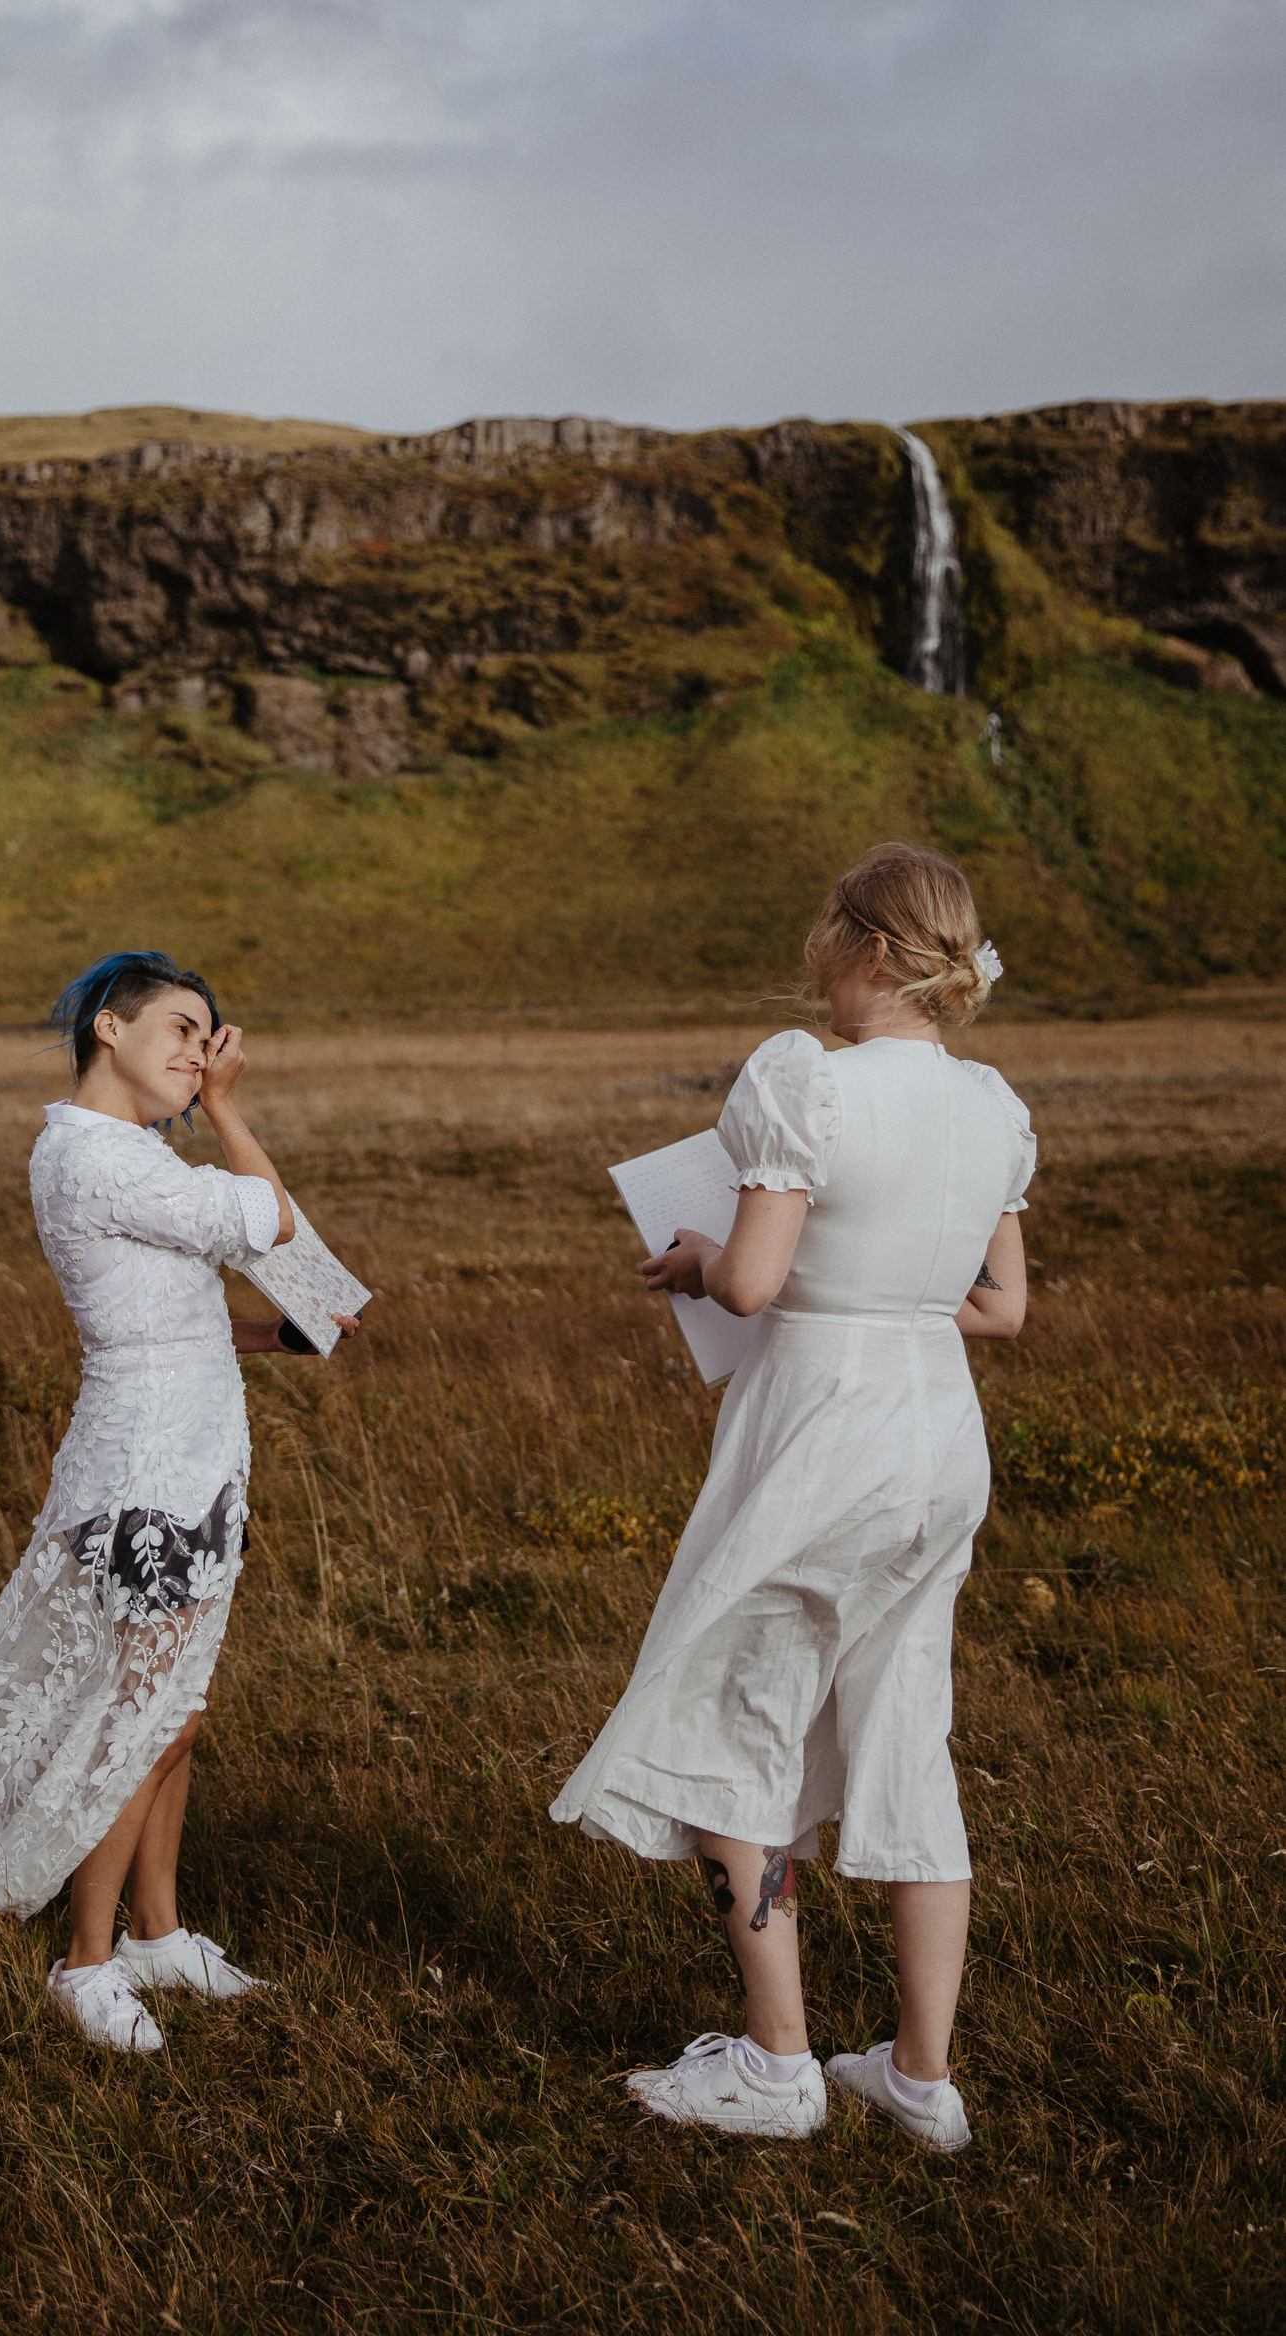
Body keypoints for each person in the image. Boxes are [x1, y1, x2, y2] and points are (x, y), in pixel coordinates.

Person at [550, 844, 1032, 2150]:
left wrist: (703, 1256)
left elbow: (753, 1285)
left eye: (825, 931)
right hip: (936, 1432)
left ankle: (776, 2068)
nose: (811, 954)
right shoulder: (992, 1102)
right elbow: (999, 1306)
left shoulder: (798, 1075)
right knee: (904, 1729)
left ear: (867, 951)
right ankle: (919, 2079)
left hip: (817, 1425)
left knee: (733, 1710)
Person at [0, 951, 356, 2055]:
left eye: (210, 1039)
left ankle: (158, 1931)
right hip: (145, 1478)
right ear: (105, 1027)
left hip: (198, 1457)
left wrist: (267, 1335)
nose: (197, 1053)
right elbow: (270, 1218)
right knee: (140, 1720)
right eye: (179, 1029)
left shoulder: (129, 1153)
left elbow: (164, 1311)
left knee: (182, 1711)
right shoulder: (91, 1156)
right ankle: (87, 1960)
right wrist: (227, 1106)